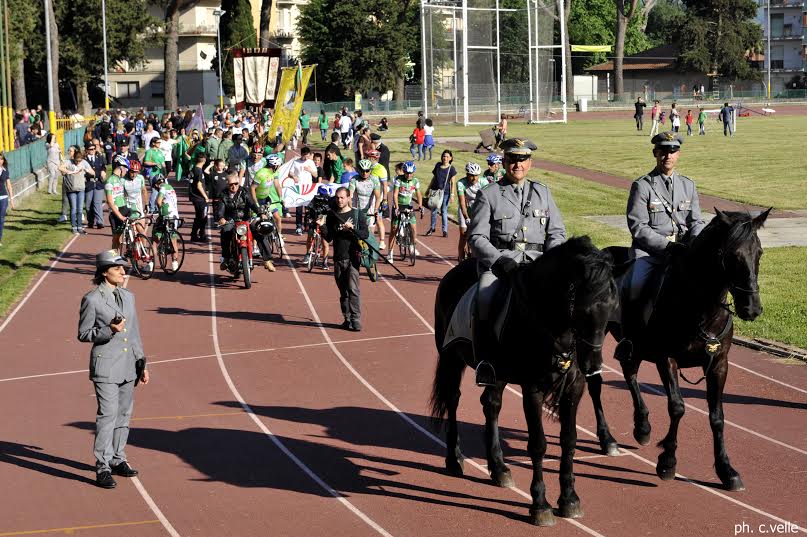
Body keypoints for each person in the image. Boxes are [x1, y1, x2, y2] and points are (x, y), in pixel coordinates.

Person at [467, 138, 566, 384]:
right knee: (484, 298)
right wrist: (498, 261)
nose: (517, 164)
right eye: (512, 159)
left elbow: (557, 233)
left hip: (538, 264)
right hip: (502, 266)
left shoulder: (543, 192)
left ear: (530, 163)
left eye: (522, 159)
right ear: (504, 162)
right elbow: (476, 237)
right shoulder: (488, 194)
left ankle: (566, 356)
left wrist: (551, 261)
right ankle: (486, 361)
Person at [616, 131, 706, 361]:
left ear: (678, 154)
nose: (668, 155)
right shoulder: (642, 186)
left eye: (673, 151)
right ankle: (629, 339)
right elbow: (638, 227)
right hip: (650, 254)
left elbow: (696, 221)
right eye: (663, 151)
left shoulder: (688, 185)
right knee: (634, 285)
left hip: (683, 254)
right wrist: (667, 246)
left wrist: (693, 244)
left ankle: (704, 335)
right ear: (655, 153)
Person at [78, 250, 149, 489]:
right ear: (103, 272)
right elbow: (84, 334)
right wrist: (109, 330)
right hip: (106, 367)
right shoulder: (92, 299)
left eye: (122, 267)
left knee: (124, 415)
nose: (122, 271)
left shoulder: (128, 297)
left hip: (128, 366)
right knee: (107, 416)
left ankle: (118, 459)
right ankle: (102, 466)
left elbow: (135, 332)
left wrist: (142, 363)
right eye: (117, 268)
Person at [320, 187, 369, 332]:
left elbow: (365, 234)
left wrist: (352, 229)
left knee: (353, 289)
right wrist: (321, 226)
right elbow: (328, 238)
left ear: (349, 198)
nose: (340, 200)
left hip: (352, 257)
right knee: (343, 292)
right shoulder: (332, 215)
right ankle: (346, 319)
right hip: (338, 258)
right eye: (337, 198)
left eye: (342, 197)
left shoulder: (357, 214)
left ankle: (356, 319)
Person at [216, 172, 275, 272]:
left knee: (260, 231)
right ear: (227, 184)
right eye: (231, 184)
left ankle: (267, 260)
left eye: (236, 184)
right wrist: (221, 218)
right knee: (225, 232)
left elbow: (252, 204)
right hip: (231, 221)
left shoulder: (244, 192)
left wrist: (260, 213)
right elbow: (220, 209)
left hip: (246, 220)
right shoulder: (223, 195)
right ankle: (225, 258)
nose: (234, 186)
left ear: (239, 183)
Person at [387, 161, 423, 264]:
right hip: (398, 205)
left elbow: (419, 194)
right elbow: (395, 194)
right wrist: (397, 207)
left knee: (413, 227)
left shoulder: (415, 181)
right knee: (394, 229)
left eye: (411, 173)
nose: (409, 175)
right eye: (407, 173)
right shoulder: (399, 180)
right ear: (404, 172)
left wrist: (420, 205)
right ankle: (390, 252)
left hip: (408, 206)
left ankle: (412, 245)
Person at [456, 162, 489, 262]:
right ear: (467, 174)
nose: (474, 178)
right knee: (463, 234)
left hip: (478, 210)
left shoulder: (484, 182)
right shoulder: (461, 183)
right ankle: (461, 260)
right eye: (471, 176)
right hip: (466, 209)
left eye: (476, 175)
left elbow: (488, 199)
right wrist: (466, 218)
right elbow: (462, 203)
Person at [350, 159, 383, 250]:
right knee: (355, 234)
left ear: (370, 170)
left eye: (367, 170)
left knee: (370, 236)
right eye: (362, 170)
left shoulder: (374, 180)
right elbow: (350, 195)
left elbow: (378, 197)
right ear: (358, 170)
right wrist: (349, 209)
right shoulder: (354, 179)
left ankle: (370, 256)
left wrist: (376, 210)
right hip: (357, 210)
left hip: (370, 211)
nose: (365, 173)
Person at [151, 174, 182, 272]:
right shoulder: (171, 188)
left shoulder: (162, 188)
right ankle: (174, 263)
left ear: (156, 185)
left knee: (155, 240)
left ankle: (150, 264)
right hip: (175, 217)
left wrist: (159, 211)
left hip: (166, 217)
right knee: (173, 240)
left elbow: (159, 202)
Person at [59, 149, 93, 235]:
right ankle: (74, 228)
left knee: (80, 209)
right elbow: (60, 167)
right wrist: (69, 172)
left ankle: (80, 227)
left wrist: (86, 169)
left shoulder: (84, 163)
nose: (78, 163)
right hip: (71, 189)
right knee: (73, 208)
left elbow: (92, 172)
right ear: (73, 158)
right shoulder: (69, 162)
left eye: (79, 161)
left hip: (81, 189)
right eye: (76, 161)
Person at [251, 155, 284, 241]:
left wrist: (281, 198)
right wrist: (256, 203)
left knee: (277, 218)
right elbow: (252, 188)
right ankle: (256, 244)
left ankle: (279, 236)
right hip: (258, 199)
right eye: (279, 165)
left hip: (267, 198)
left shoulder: (274, 172)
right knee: (258, 223)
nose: (279, 166)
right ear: (275, 165)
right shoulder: (261, 173)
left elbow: (277, 185)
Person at [426, 149, 457, 238]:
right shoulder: (438, 165)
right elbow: (434, 178)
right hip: (435, 191)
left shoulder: (452, 169)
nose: (445, 158)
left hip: (446, 192)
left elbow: (452, 183)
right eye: (444, 156)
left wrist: (452, 195)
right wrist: (428, 189)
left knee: (444, 210)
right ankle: (432, 228)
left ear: (450, 158)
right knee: (434, 210)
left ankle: (445, 230)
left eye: (447, 157)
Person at [289, 147, 318, 235]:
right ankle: (298, 226)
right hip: (299, 188)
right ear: (302, 154)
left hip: (308, 188)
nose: (307, 158)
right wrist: (294, 176)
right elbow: (290, 173)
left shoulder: (310, 162)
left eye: (308, 156)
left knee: (309, 208)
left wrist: (310, 170)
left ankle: (308, 225)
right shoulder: (296, 162)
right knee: (299, 208)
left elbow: (316, 175)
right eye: (305, 156)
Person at [84, 141, 107, 229]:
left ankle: (100, 222)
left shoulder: (99, 157)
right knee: (88, 204)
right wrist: (97, 173)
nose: (93, 150)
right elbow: (86, 172)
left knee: (97, 203)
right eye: (90, 149)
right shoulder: (84, 160)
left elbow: (103, 167)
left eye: (94, 148)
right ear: (87, 150)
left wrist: (104, 171)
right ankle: (90, 221)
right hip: (88, 183)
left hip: (98, 183)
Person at [189, 153, 211, 242]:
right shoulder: (198, 171)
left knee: (199, 217)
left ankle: (194, 234)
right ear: (204, 160)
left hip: (195, 197)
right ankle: (201, 235)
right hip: (199, 197)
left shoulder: (194, 169)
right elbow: (199, 185)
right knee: (203, 217)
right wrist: (205, 196)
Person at [0, 153, 13, 246]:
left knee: (1, 219)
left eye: (1, 159)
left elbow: (9, 185)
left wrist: (11, 199)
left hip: (3, 197)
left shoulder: (5, 171)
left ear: (3, 161)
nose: (0, 161)